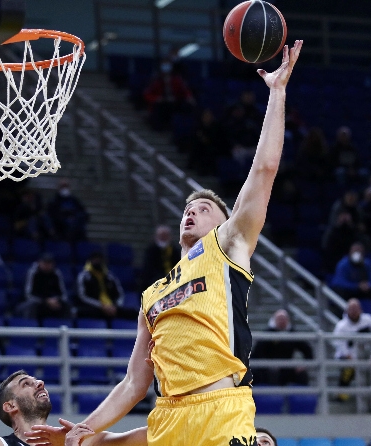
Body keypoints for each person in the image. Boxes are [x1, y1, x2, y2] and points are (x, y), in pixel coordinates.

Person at [52, 41, 304, 446]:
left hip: (220, 410)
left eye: (204, 208)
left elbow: (264, 169)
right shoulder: (152, 294)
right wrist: (87, 427)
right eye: (188, 209)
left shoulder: (227, 246)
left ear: (225, 223)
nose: (192, 212)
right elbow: (134, 382)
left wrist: (277, 92)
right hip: (167, 417)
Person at [332, 299, 371, 396]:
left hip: (364, 354)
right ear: (347, 311)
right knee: (349, 368)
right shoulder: (341, 326)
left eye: (356, 309)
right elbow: (339, 344)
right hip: (345, 356)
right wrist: (349, 357)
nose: (354, 312)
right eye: (352, 309)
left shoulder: (367, 319)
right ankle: (341, 395)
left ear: (360, 309)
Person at [0, 370, 56, 446]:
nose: (40, 383)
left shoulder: (62, 441)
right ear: (10, 406)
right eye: (26, 383)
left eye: (36, 381)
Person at [252, 309, 313, 386]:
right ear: (274, 320)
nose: (282, 321)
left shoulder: (293, 334)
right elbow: (256, 353)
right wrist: (266, 365)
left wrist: (303, 365)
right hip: (268, 368)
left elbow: (307, 350)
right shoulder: (267, 334)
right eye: (279, 319)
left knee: (301, 375)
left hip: (287, 367)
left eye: (284, 319)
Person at [76, 251, 130, 320]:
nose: (98, 261)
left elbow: (120, 294)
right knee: (84, 312)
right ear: (90, 261)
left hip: (112, 307)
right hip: (94, 307)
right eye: (95, 259)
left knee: (135, 313)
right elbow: (82, 296)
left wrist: (115, 306)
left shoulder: (110, 276)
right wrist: (101, 306)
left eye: (100, 259)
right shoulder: (83, 276)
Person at [18, 253, 69, 319]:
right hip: (35, 301)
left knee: (66, 305)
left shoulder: (56, 273)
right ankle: (30, 324)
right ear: (39, 262)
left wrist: (56, 300)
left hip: (53, 302)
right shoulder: (33, 273)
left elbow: (63, 294)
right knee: (32, 305)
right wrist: (46, 301)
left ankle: (64, 324)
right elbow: (28, 295)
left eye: (49, 263)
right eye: (45, 263)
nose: (47, 265)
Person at [140, 225, 181, 290]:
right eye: (161, 236)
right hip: (155, 283)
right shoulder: (151, 251)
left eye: (165, 236)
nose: (163, 238)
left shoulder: (175, 251)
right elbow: (148, 270)